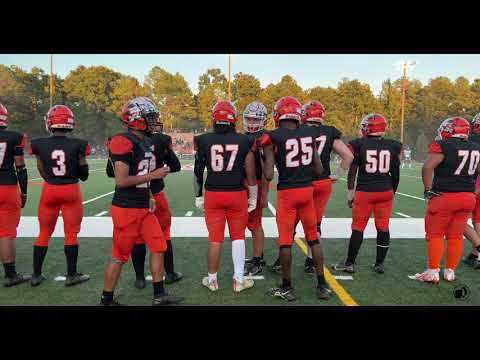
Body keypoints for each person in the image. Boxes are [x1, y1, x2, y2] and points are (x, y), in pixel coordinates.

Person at [100, 97, 184, 306]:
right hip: (126, 208)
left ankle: (159, 294)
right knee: (119, 256)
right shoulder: (122, 141)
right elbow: (121, 180)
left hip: (143, 205)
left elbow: (141, 172)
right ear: (137, 119)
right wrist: (153, 176)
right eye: (150, 117)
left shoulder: (144, 141)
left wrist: (149, 196)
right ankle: (106, 300)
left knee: (158, 246)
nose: (154, 120)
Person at [269, 100, 353, 275]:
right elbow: (348, 156)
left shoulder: (299, 131)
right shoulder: (329, 131)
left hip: (299, 182)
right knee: (315, 225)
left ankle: (281, 262)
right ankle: (311, 263)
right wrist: (335, 177)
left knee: (289, 224)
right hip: (322, 182)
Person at [261, 96, 331, 301]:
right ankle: (322, 285)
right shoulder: (309, 133)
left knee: (285, 242)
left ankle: (287, 286)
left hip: (287, 194)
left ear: (278, 115)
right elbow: (319, 169)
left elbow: (268, 175)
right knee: (313, 237)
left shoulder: (273, 136)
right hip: (307, 191)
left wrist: (265, 152)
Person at [194, 100, 258, 293]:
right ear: (233, 119)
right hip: (237, 194)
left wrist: (198, 195)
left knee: (215, 238)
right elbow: (251, 173)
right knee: (238, 237)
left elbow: (198, 170)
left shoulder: (204, 140)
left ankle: (212, 280)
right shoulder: (244, 140)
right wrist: (253, 196)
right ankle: (238, 280)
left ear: (214, 119)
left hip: (213, 194)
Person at [331, 114, 402, 274]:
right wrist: (392, 192)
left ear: (368, 128)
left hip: (365, 192)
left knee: (358, 227)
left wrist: (350, 194)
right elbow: (396, 174)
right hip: (385, 190)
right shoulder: (393, 145)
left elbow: (352, 173)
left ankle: (349, 263)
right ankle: (379, 264)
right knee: (383, 227)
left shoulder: (358, 144)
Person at [29, 105, 91, 287]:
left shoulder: (38, 143)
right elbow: (84, 175)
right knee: (71, 233)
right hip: (71, 189)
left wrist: (50, 179)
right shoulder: (79, 144)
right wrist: (80, 161)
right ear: (70, 122)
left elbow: (41, 167)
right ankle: (72, 275)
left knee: (43, 233)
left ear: (50, 122)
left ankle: (35, 275)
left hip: (49, 189)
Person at [413, 117, 480, 283]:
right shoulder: (475, 147)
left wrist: (428, 189)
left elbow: (427, 167)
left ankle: (433, 271)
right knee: (456, 236)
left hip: (445, 196)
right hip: (467, 197)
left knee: (435, 234)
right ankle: (450, 272)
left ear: (450, 130)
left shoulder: (443, 145)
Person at [131, 114, 183, 289]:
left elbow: (111, 171)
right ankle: (169, 273)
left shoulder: (123, 140)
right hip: (156, 193)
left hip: (134, 196)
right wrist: (159, 168)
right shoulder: (161, 140)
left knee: (138, 238)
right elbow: (176, 166)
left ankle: (139, 278)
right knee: (164, 234)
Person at [0, 103, 30, 287]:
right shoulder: (15, 137)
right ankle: (11, 275)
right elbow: (20, 167)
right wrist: (24, 192)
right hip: (7, 187)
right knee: (6, 233)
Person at [242, 101, 270, 276]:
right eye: (249, 119)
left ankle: (258, 260)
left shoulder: (263, 139)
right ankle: (257, 256)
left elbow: (266, 169)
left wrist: (264, 194)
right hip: (246, 184)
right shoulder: (247, 136)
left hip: (256, 185)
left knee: (255, 223)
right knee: (249, 223)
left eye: (255, 120)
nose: (251, 123)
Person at [462, 112, 480, 269]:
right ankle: (474, 254)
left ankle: (476, 253)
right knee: (478, 219)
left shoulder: (473, 140)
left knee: (459, 221)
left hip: (474, 184)